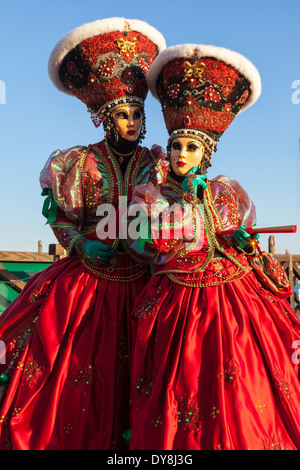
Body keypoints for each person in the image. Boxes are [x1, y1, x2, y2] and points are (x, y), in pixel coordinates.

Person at [0, 17, 167, 450]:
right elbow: (59, 218)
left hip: (147, 281)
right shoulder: (80, 163)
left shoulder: (159, 164)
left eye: (138, 114)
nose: (132, 122)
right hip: (88, 285)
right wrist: (80, 244)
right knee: (74, 377)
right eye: (124, 114)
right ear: (106, 118)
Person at [127, 44, 300, 450]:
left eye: (191, 148)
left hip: (234, 300)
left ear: (206, 154)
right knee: (181, 386)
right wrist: (185, 204)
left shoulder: (225, 191)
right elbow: (144, 245)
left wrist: (241, 241)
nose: (181, 154)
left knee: (243, 379)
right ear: (167, 150)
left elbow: (236, 236)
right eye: (175, 146)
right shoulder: (150, 197)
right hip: (176, 302)